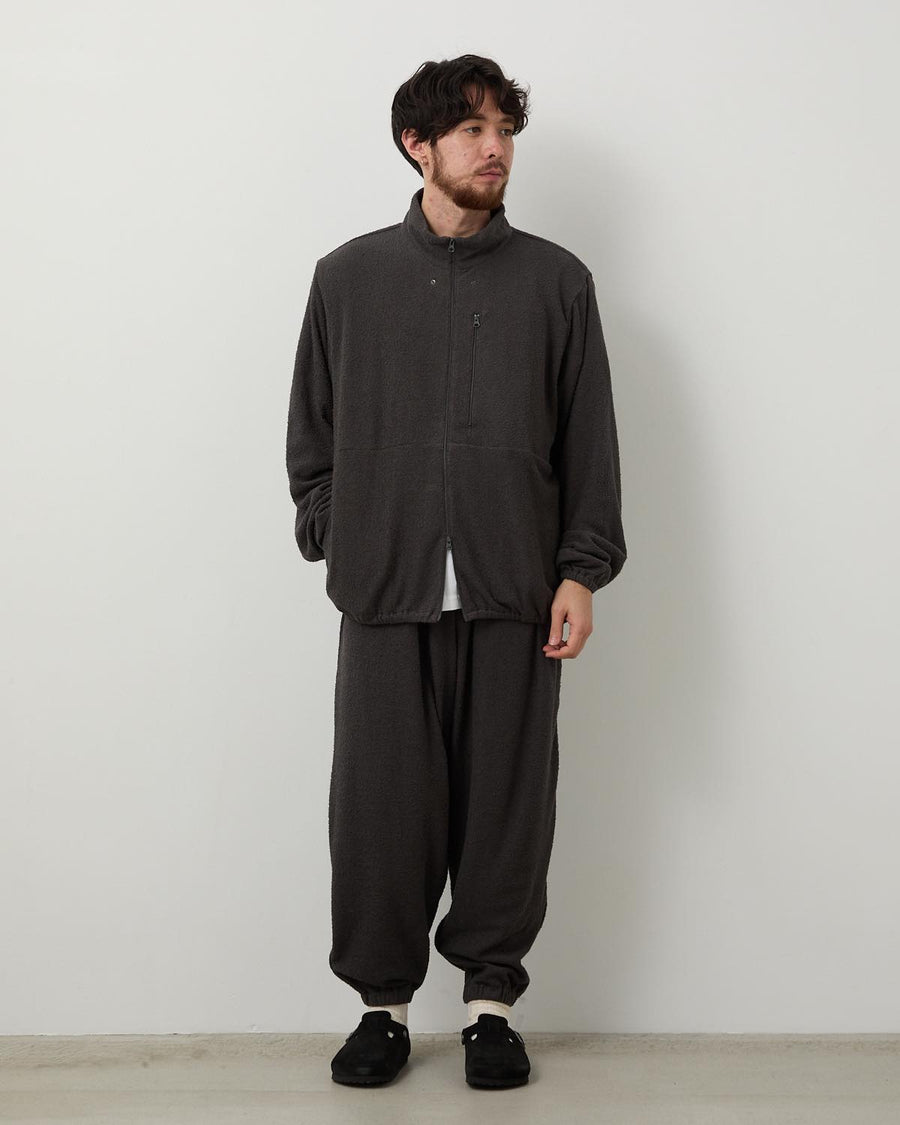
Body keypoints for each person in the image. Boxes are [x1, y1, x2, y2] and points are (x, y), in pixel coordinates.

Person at [286, 54, 627, 1089]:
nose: (495, 149)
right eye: (473, 130)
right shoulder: (347, 278)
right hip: (384, 595)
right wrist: (343, 532)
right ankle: (381, 1009)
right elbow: (313, 442)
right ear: (417, 145)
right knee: (379, 810)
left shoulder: (557, 283)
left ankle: (490, 1008)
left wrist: (581, 571)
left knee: (508, 808)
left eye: (504, 131)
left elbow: (589, 444)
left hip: (515, 592)